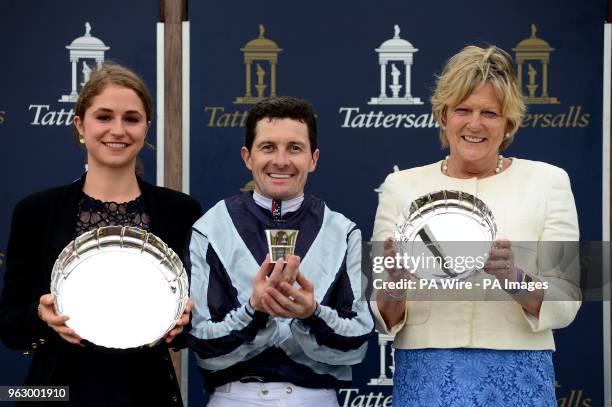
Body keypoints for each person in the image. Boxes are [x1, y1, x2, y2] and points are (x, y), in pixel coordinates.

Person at [372, 46, 580, 406]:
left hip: (517, 376)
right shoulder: (401, 187)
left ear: (508, 123)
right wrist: (396, 284)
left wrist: (513, 279)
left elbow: (567, 300)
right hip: (428, 377)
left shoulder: (548, 182)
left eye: (489, 113)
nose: (474, 124)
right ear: (444, 116)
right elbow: (381, 314)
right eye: (463, 110)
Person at [0, 63, 203, 406]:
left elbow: (193, 323)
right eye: (104, 117)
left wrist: (184, 323)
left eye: (132, 119)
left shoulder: (180, 211)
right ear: (80, 124)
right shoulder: (36, 211)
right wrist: (41, 317)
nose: (118, 130)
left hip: (146, 393)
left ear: (146, 127)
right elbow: (8, 327)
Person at [187, 96, 374, 406]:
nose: (281, 160)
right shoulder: (211, 227)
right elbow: (200, 339)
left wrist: (312, 314)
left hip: (316, 398)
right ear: (247, 156)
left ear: (313, 159)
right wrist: (253, 311)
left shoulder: (344, 231)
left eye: (295, 148)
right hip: (235, 397)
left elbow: (358, 341)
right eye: (268, 147)